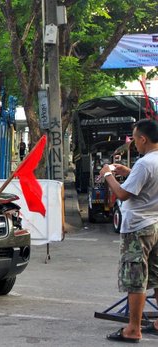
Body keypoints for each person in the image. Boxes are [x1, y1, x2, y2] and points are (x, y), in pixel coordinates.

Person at [100, 119, 158, 343]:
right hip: (155, 223)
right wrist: (129, 171)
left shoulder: (145, 163)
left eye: (135, 139)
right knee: (156, 276)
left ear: (143, 139)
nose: (134, 144)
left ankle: (133, 329)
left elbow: (123, 194)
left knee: (137, 279)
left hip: (138, 226)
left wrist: (108, 175)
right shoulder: (148, 163)